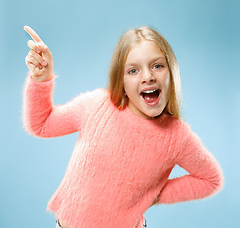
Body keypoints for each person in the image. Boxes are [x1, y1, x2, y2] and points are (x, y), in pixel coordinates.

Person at [22, 26, 223, 228]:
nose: (147, 76)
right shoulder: (96, 105)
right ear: (122, 81)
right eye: (133, 70)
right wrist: (41, 80)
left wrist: (155, 195)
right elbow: (41, 124)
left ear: (171, 72)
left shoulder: (176, 136)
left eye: (157, 66)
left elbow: (211, 179)